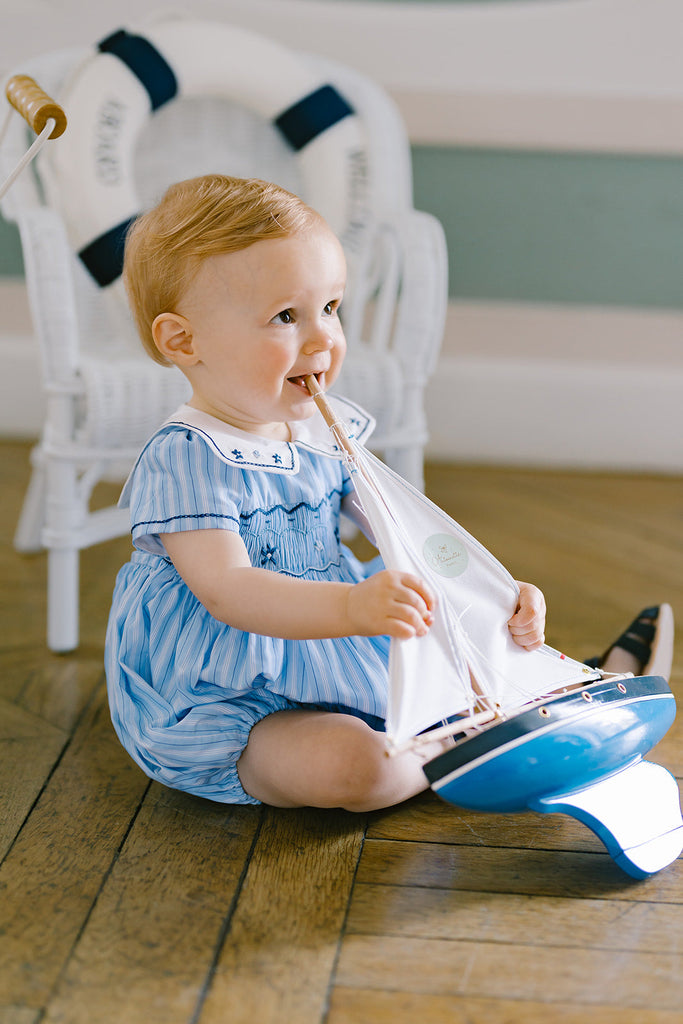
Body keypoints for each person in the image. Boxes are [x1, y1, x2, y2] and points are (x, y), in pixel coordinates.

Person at [105, 174, 672, 811]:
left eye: (331, 308)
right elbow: (229, 591)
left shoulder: (322, 430)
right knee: (360, 771)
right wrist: (352, 608)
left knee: (442, 623)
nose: (323, 339)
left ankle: (543, 695)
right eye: (286, 317)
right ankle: (489, 736)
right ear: (183, 340)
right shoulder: (187, 457)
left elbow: (411, 537)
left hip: (337, 648)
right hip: (228, 692)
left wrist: (495, 592)